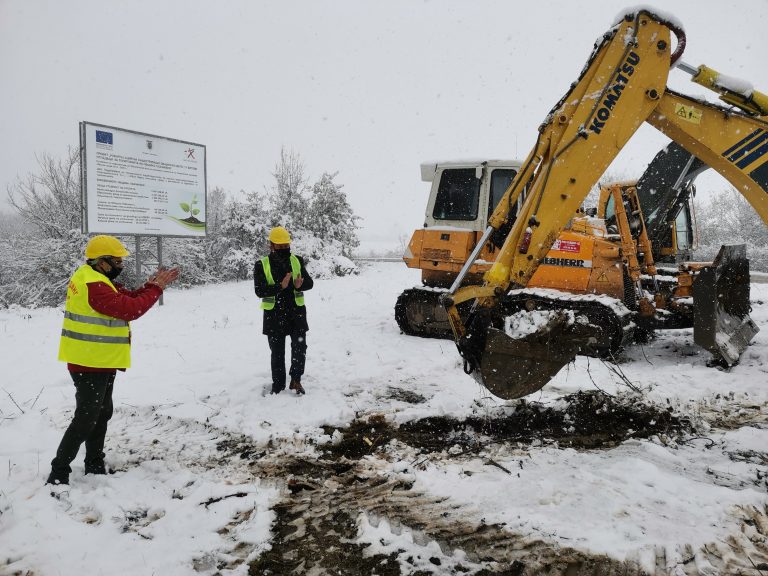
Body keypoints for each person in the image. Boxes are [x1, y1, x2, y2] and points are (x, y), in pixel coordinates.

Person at [46, 235, 179, 486]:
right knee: (86, 417)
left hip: (99, 360)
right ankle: (59, 471)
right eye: (116, 260)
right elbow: (130, 309)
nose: (121, 264)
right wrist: (155, 289)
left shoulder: (95, 277)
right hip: (89, 362)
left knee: (101, 413)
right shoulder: (94, 285)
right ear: (101, 262)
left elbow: (127, 298)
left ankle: (94, 463)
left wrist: (148, 287)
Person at [254, 226, 313, 395]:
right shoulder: (261, 265)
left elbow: (309, 283)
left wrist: (300, 285)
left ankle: (296, 380)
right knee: (277, 353)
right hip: (274, 314)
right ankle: (278, 385)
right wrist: (280, 286)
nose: (283, 249)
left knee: (300, 348)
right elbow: (259, 290)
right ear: (271, 245)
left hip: (297, 313)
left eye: (286, 246)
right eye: (279, 247)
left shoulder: (297, 260)